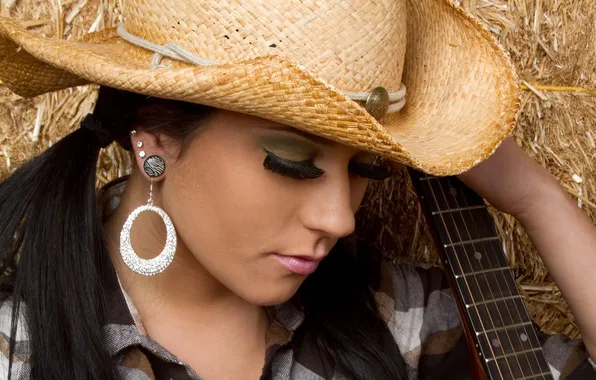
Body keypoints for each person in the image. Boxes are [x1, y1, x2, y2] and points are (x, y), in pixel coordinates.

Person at [0, 0, 595, 379]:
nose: (339, 220)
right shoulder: (16, 346)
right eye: (292, 163)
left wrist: (537, 200)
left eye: (366, 167)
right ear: (155, 138)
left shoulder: (395, 317)